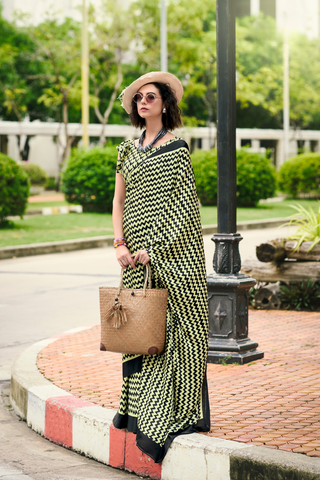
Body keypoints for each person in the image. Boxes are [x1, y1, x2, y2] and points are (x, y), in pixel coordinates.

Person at [112, 71, 210, 463]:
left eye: (150, 96)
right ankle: (137, 410)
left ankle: (172, 414)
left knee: (173, 332)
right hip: (131, 259)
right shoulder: (126, 150)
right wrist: (119, 243)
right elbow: (119, 202)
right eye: (138, 98)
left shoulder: (178, 149)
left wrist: (156, 248)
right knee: (139, 330)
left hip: (171, 259)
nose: (143, 102)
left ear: (166, 104)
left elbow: (185, 208)